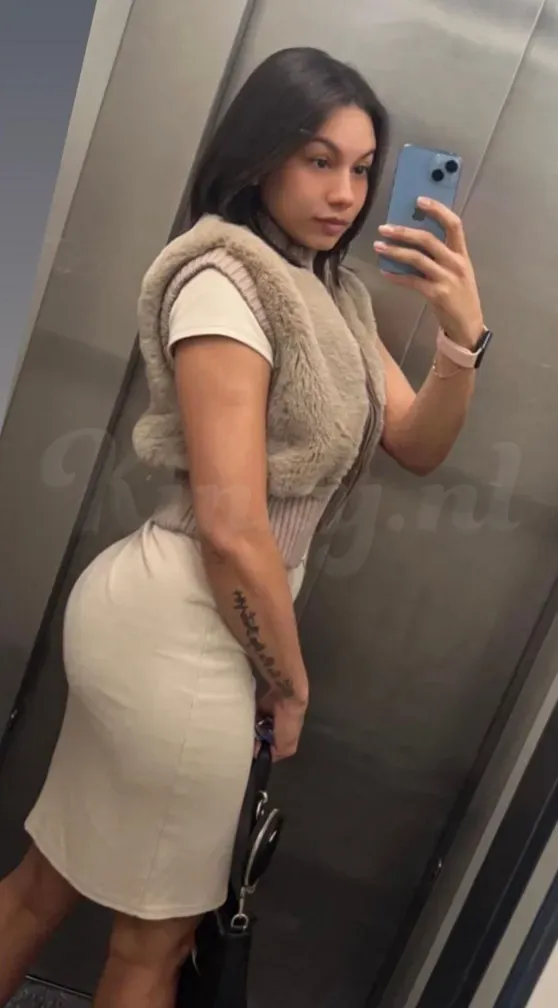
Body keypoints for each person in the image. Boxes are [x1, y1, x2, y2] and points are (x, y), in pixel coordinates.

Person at [0, 46, 487, 1008]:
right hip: (182, 630)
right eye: (318, 159)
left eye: (362, 168)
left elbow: (417, 443)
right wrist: (288, 686)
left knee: (44, 884)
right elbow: (230, 527)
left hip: (197, 622)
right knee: (155, 941)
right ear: (260, 154)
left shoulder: (333, 296)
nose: (345, 192)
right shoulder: (225, 281)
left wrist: (462, 341)